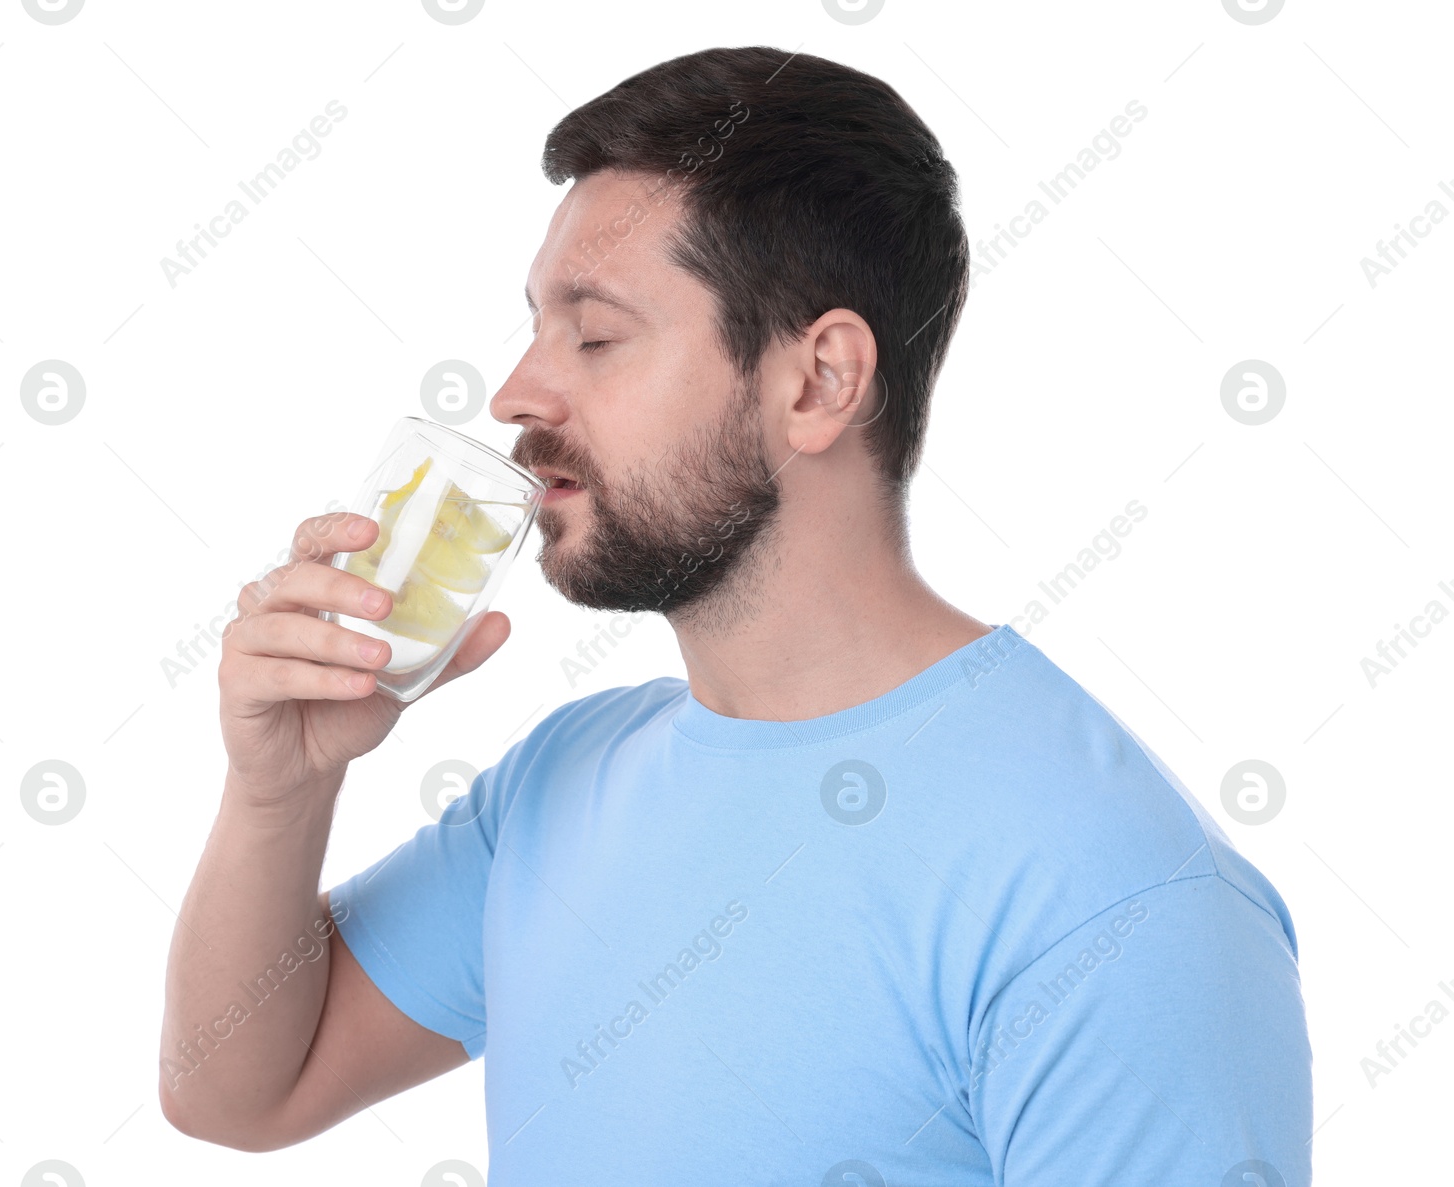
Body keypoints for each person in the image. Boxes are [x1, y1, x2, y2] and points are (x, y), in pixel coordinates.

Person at [159, 45, 1312, 1185]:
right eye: (533, 324)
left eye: (596, 333)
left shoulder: (1116, 899)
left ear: (817, 381)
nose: (514, 392)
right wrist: (283, 786)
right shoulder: (561, 781)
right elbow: (238, 1090)